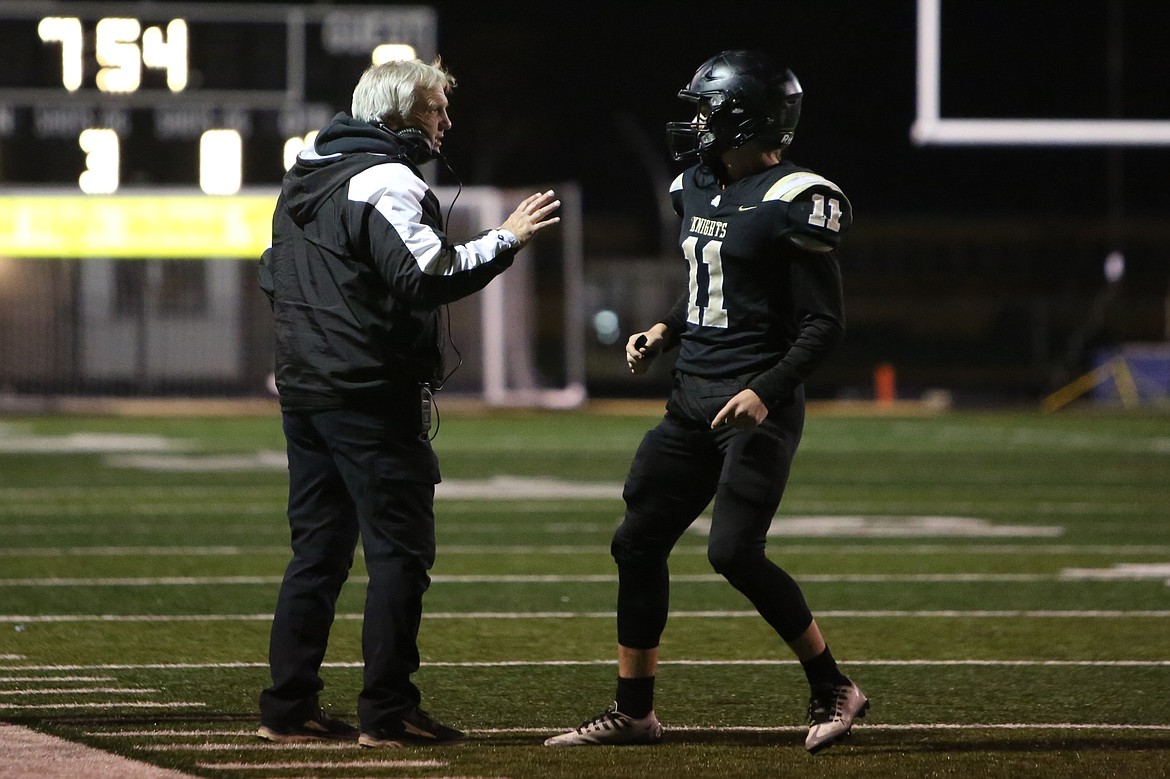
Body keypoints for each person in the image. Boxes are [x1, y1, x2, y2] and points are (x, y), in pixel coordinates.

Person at [544, 50, 867, 754]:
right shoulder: (695, 184)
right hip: (691, 396)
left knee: (733, 552)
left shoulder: (797, 198)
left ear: (747, 119)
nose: (695, 123)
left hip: (755, 402)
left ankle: (835, 685)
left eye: (709, 110)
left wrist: (766, 391)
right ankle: (635, 711)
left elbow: (823, 325)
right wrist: (664, 328)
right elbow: (707, 285)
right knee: (635, 540)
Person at [256, 57, 560, 748]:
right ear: (395, 113)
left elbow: (273, 273)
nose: (446, 122)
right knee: (399, 551)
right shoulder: (386, 179)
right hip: (366, 392)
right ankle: (388, 710)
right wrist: (506, 236)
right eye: (433, 109)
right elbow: (427, 274)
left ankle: (288, 705)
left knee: (318, 552)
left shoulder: (306, 170)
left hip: (305, 388)